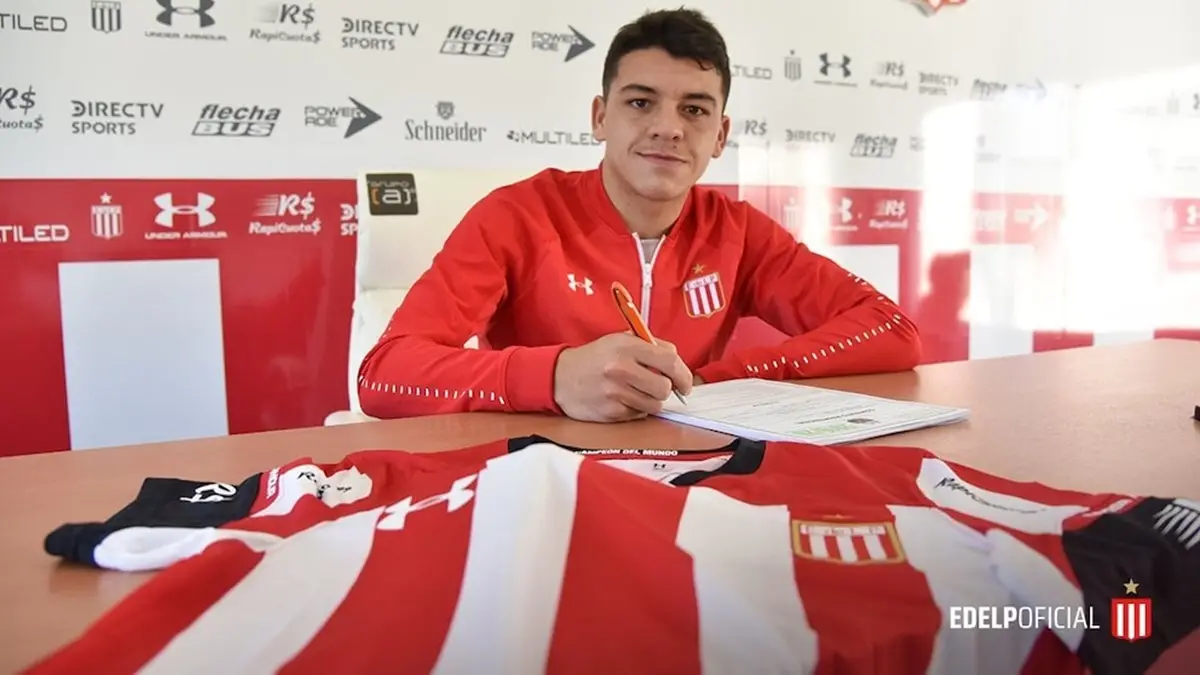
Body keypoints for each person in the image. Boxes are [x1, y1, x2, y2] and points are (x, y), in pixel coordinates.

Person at [358, 8, 921, 424]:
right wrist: (554, 378)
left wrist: (715, 380)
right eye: (640, 102)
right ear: (600, 117)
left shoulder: (738, 230)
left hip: (691, 477)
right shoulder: (517, 215)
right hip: (541, 477)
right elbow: (384, 374)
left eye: (694, 109)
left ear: (720, 135)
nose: (668, 128)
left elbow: (890, 331)